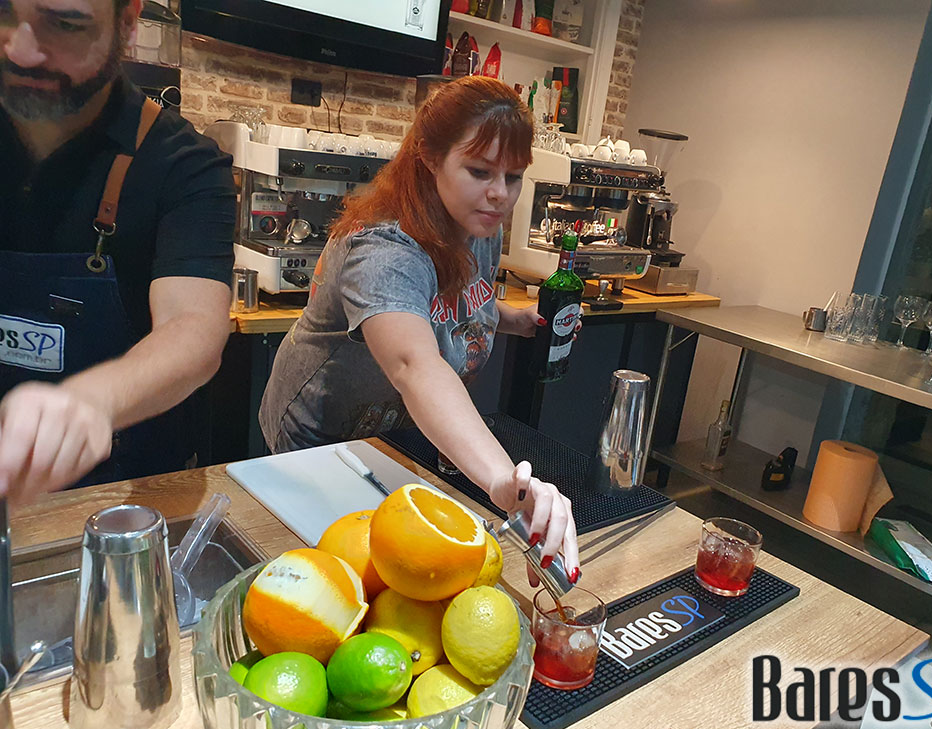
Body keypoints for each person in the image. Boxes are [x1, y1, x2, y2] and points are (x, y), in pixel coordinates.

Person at [260, 77, 580, 580]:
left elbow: (460, 301)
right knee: (335, 572)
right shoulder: (384, 248)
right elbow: (415, 363)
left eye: (513, 176)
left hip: (395, 432)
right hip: (322, 436)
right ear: (430, 157)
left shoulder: (477, 223)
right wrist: (503, 479)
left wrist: (512, 319)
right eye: (479, 171)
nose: (500, 194)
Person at [0, 0, 236, 503]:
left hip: (126, 490)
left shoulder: (185, 163)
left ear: (127, 23)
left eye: (64, 23)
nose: (19, 49)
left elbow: (194, 326)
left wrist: (90, 403)